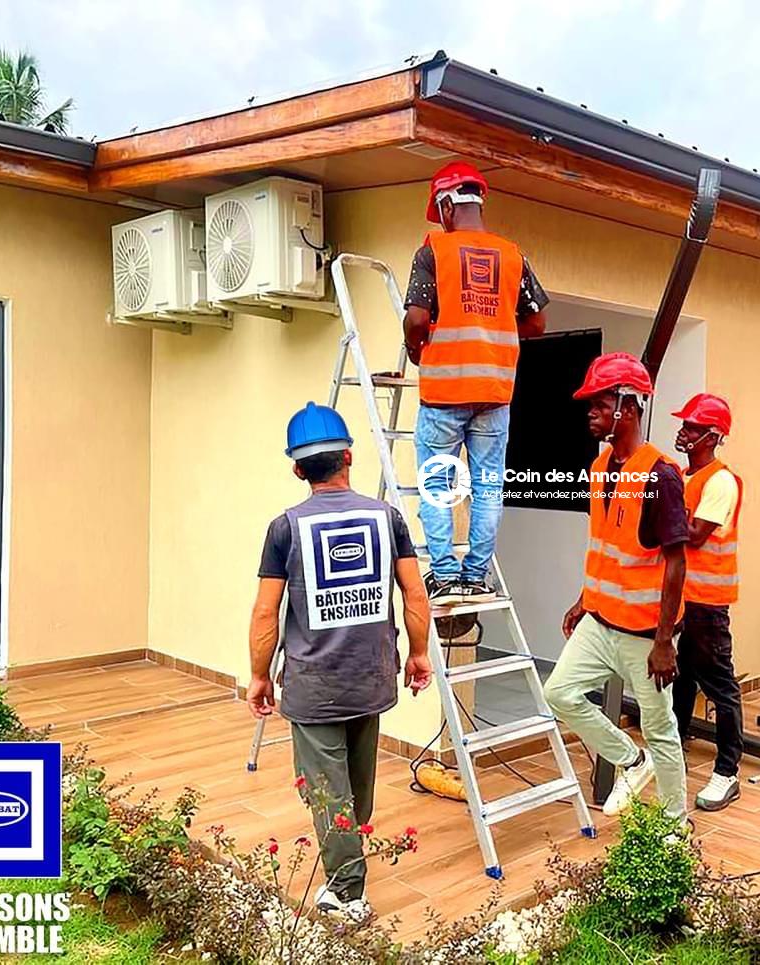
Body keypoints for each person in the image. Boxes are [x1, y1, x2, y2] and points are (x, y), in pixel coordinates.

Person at [247, 402, 433, 922]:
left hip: (313, 684)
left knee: (328, 788)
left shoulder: (285, 528)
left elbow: (267, 612)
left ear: (298, 468)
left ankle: (348, 893)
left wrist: (260, 675)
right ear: (348, 456)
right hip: (371, 676)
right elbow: (415, 596)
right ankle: (347, 863)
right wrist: (418, 653)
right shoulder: (388, 517)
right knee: (357, 780)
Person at [543, 353, 689, 821]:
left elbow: (675, 562)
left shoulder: (660, 476)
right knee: (559, 693)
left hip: (646, 635)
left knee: (661, 728)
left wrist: (665, 641)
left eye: (599, 404)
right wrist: (584, 600)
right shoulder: (601, 466)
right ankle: (630, 759)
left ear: (628, 406)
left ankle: (673, 826)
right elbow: (607, 544)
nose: (590, 412)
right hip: (600, 621)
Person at [402, 161, 548, 605]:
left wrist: (416, 348)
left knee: (438, 482)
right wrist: (493, 326)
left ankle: (445, 574)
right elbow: (537, 322)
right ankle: (476, 574)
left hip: (445, 391)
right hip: (494, 392)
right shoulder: (512, 255)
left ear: (447, 205)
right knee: (487, 486)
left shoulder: (434, 251)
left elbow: (416, 317)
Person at [670, 393, 745, 812]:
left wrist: (660, 515)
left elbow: (695, 534)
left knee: (720, 687)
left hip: (707, 602)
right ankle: (673, 748)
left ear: (713, 436)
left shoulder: (719, 482)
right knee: (683, 679)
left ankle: (727, 773)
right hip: (685, 599)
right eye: (685, 424)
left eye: (693, 427)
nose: (684, 431)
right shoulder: (687, 476)